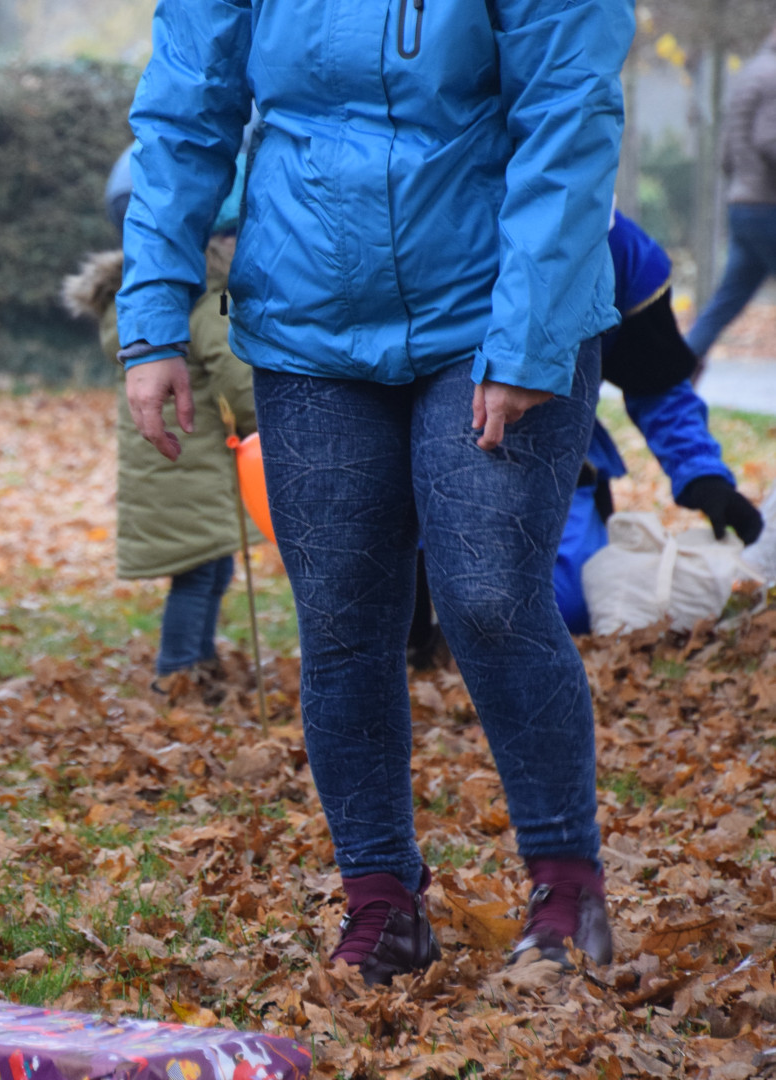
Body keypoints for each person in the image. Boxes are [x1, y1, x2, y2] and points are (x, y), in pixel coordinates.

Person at [117, 1, 634, 982]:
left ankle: (568, 893)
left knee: (488, 595)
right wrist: (152, 319)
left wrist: (529, 336)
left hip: (493, 304)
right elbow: (186, 109)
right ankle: (382, 904)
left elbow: (568, 112)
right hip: (306, 319)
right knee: (343, 620)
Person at [64, 154, 255, 692]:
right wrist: (263, 421)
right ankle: (176, 672)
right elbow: (236, 377)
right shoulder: (209, 298)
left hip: (170, 463)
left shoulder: (144, 301)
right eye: (234, 235)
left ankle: (199, 663)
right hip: (192, 466)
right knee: (201, 573)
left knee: (208, 568)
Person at [557, 210, 765, 632]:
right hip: (429, 453)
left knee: (565, 603)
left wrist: (703, 474)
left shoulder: (616, 246)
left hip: (556, 458)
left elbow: (657, 383)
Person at [684, 24, 776, 364]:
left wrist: (741, 181)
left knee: (725, 301)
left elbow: (726, 153)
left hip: (742, 205)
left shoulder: (750, 73)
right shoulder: (773, 77)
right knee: (727, 299)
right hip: (768, 206)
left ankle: (676, 373)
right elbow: (769, 139)